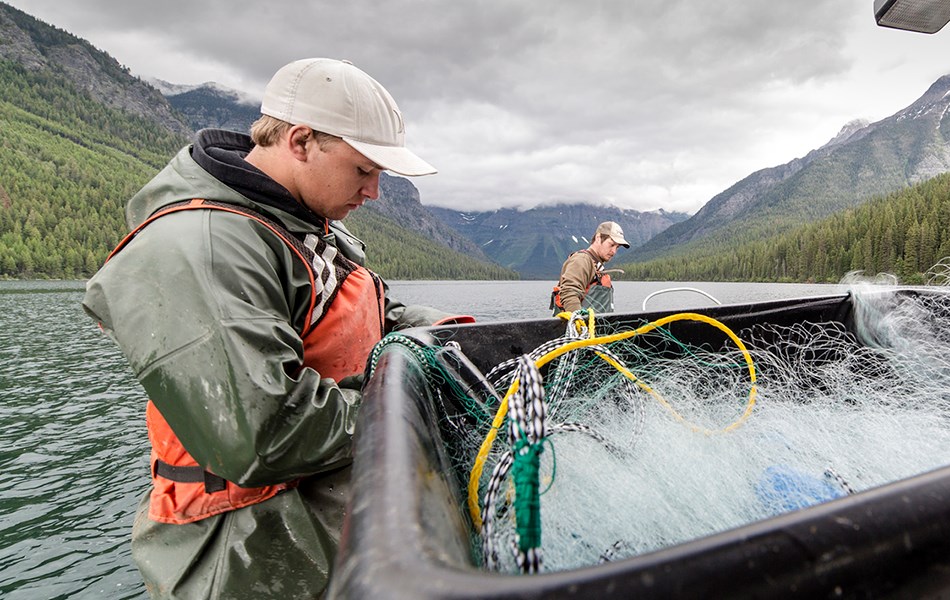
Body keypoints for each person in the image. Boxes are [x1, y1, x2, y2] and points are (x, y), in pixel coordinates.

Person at [82, 58, 470, 599]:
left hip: (334, 522)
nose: (375, 192)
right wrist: (414, 403)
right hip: (249, 556)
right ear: (302, 141)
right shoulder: (202, 247)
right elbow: (262, 431)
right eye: (363, 170)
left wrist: (454, 342)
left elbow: (377, 315)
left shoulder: (303, 221)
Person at [550, 221, 630, 314]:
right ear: (598, 238)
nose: (614, 251)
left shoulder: (597, 264)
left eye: (617, 247)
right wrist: (579, 324)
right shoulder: (582, 260)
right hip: (582, 327)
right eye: (611, 245)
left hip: (597, 326)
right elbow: (569, 293)